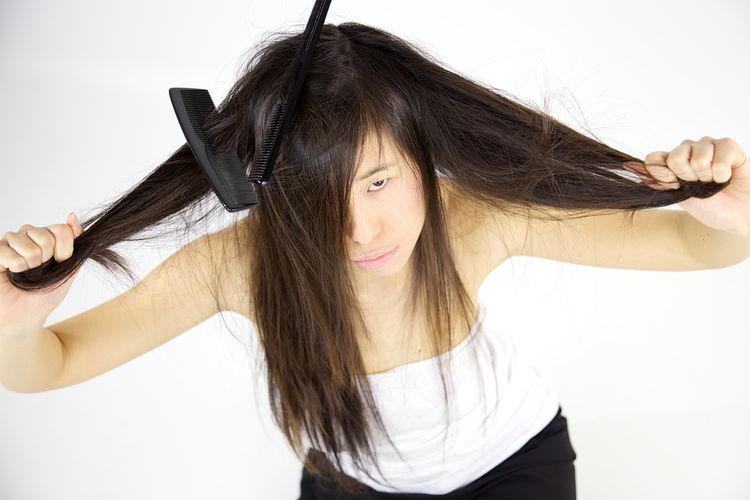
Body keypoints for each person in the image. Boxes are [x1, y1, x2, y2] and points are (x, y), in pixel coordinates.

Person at [2, 21, 748, 500]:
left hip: (514, 467)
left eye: (381, 180)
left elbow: (696, 246)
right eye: (315, 194)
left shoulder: (473, 219)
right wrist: (18, 324)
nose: (360, 229)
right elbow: (50, 366)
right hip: (350, 482)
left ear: (423, 158)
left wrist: (727, 217)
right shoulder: (236, 265)